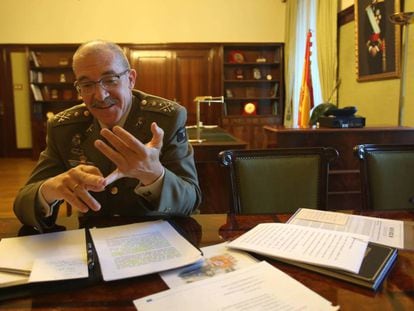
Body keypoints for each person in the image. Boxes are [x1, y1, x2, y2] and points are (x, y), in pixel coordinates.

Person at [14, 40, 201, 232]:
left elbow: (191, 200)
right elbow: (23, 204)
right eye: (87, 85)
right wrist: (49, 189)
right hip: (94, 240)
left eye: (110, 80)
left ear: (131, 79)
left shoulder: (167, 119)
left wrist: (155, 176)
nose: (100, 95)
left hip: (159, 237)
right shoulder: (64, 128)